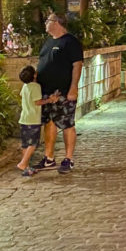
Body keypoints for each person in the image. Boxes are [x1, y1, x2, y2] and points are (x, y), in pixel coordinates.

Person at [33, 13, 84, 174]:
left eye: (48, 20)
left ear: (57, 23)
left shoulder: (70, 42)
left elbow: (77, 65)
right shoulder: (48, 42)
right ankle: (49, 158)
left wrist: (73, 88)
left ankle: (68, 159)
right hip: (46, 93)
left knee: (67, 123)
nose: (46, 23)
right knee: (49, 123)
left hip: (62, 92)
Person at [17, 66, 60, 176]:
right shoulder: (36, 86)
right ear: (34, 75)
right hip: (33, 119)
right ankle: (22, 164)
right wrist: (50, 99)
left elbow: (22, 95)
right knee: (33, 144)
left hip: (24, 118)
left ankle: (26, 167)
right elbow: (38, 102)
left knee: (25, 144)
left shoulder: (25, 86)